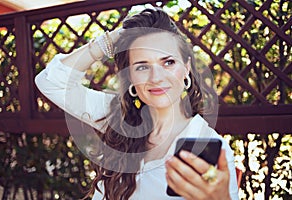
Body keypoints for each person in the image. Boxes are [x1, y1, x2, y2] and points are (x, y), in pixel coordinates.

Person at [35, 7, 239, 200]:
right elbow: (51, 82)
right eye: (142, 66)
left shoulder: (207, 145)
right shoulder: (117, 116)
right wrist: (112, 39)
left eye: (168, 62)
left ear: (186, 69)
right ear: (130, 76)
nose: (156, 77)